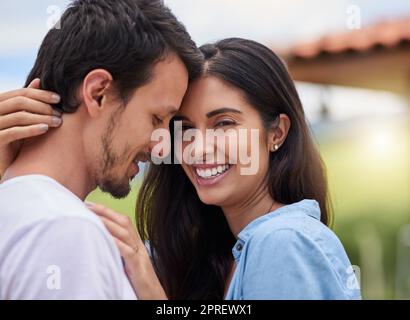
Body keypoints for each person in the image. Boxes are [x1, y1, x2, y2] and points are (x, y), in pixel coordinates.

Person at [1, 38, 361, 300]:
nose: (199, 149)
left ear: (277, 132)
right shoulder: (199, 251)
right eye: (184, 128)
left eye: (224, 124)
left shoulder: (284, 243)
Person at [0, 0, 201, 299]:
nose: (162, 146)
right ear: (98, 93)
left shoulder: (17, 206)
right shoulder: (67, 230)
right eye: (157, 118)